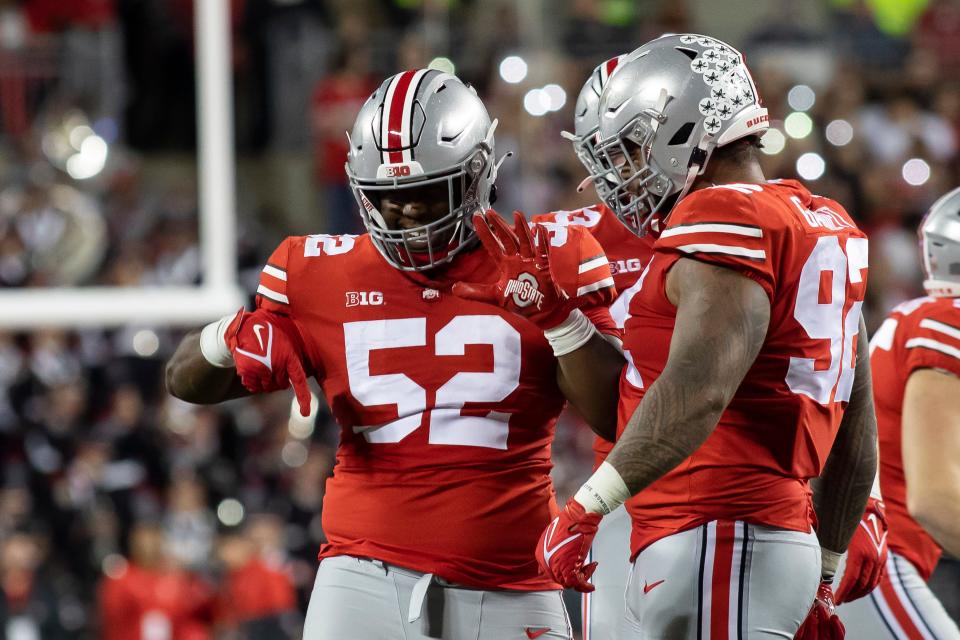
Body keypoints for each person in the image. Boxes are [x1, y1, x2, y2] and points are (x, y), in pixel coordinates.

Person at [166, 68, 624, 640]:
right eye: (388, 200)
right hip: (362, 576)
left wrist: (559, 318)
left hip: (512, 578)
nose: (405, 217)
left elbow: (615, 415)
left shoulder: (546, 255)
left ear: (478, 175)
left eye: (426, 195)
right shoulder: (314, 271)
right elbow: (183, 380)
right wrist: (227, 338)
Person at [466, 34, 877, 638]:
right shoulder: (822, 222)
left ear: (683, 129)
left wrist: (584, 508)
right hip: (755, 539)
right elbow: (856, 430)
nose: (621, 172)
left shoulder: (721, 214)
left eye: (632, 148)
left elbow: (697, 389)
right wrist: (827, 564)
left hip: (721, 532)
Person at [531, 54, 657, 640]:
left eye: (633, 148)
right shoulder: (564, 237)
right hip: (620, 487)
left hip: (747, 481)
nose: (621, 172)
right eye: (606, 154)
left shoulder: (759, 221)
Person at [837, 187, 960, 639]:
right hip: (877, 553)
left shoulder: (926, 316)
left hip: (867, 548)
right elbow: (934, 500)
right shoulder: (946, 323)